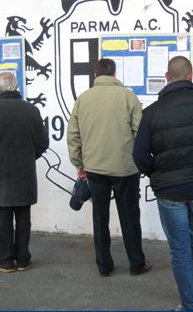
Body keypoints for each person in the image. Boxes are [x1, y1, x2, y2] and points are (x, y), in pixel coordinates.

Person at [133, 56, 193, 311]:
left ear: (167, 77)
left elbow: (139, 156)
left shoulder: (152, 113)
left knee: (179, 248)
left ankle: (191, 305)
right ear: (191, 76)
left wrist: (157, 172)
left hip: (169, 188)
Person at [67, 58, 151, 277]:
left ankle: (104, 266)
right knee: (130, 217)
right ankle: (136, 263)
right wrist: (138, 161)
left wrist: (79, 163)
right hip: (125, 168)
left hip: (94, 168)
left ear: (96, 75)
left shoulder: (83, 99)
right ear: (114, 75)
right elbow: (139, 133)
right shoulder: (128, 96)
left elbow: (73, 134)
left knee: (99, 218)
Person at [0, 72, 49, 273]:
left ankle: (6, 261)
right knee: (24, 217)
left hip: (0, 175)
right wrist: (28, 157)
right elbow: (43, 142)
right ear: (16, 88)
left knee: (4, 218)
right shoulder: (31, 110)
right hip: (24, 172)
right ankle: (24, 259)